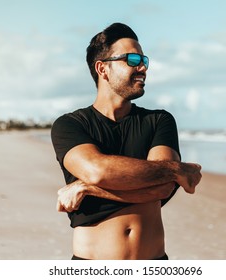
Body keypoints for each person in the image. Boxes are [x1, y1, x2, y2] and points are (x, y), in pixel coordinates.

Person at [51, 22, 202, 260]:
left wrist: (88, 188)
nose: (142, 67)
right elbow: (98, 170)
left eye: (144, 60)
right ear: (103, 69)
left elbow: (162, 187)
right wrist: (174, 170)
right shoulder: (70, 125)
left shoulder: (159, 120)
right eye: (132, 60)